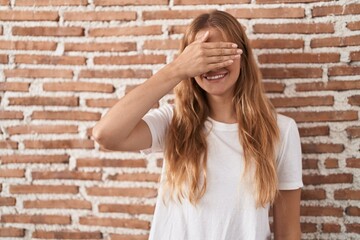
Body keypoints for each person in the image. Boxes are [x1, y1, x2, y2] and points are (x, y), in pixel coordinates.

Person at [92, 10, 303, 240]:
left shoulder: (281, 130)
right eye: (202, 57)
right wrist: (176, 70)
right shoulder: (174, 121)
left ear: (242, 57)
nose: (213, 66)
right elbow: (106, 134)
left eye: (221, 53)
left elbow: (288, 231)